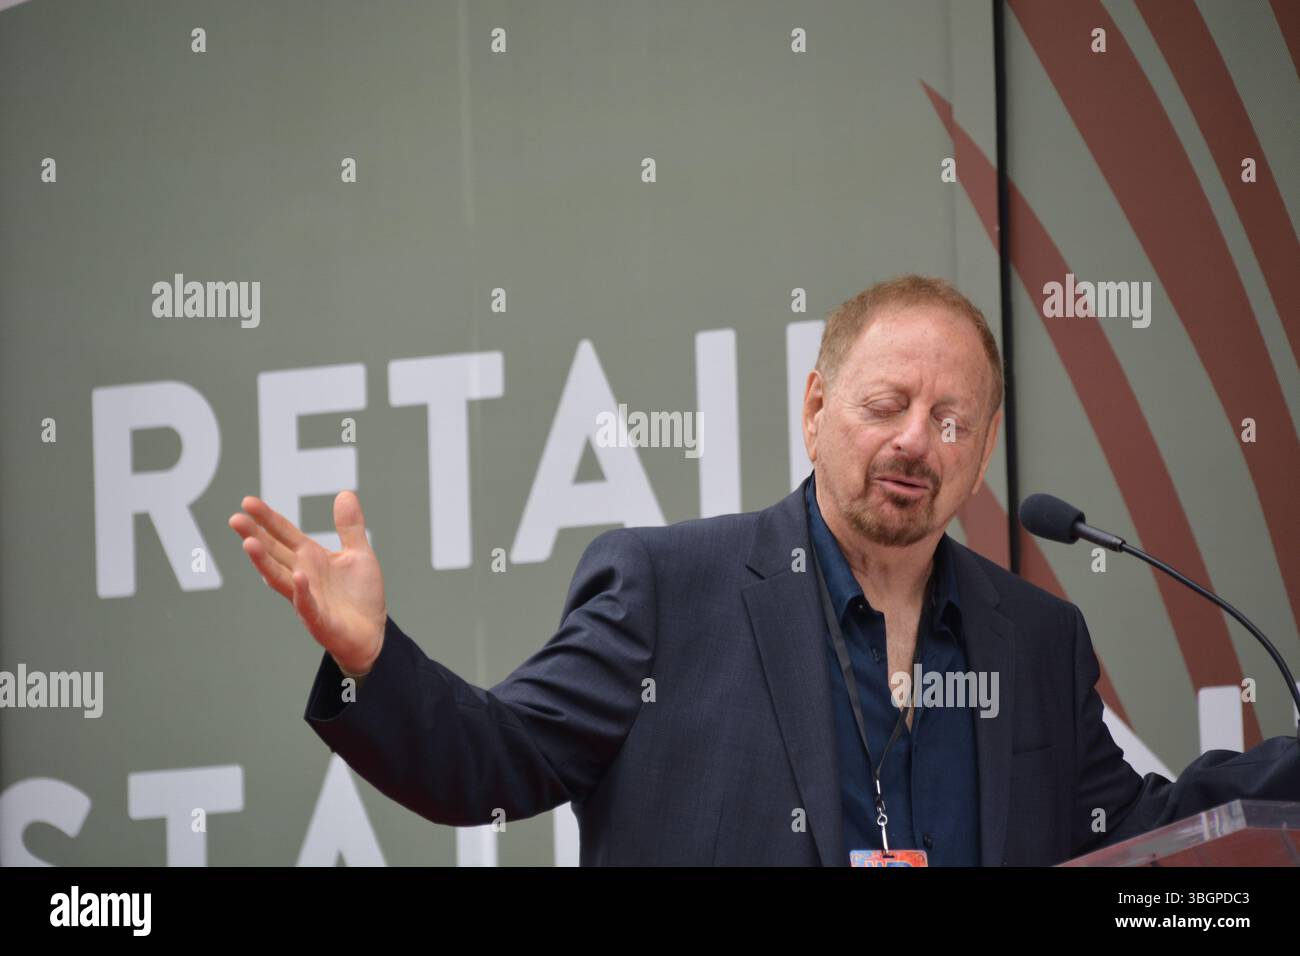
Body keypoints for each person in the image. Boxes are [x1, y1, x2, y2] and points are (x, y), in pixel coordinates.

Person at [228, 274, 1299, 865]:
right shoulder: (668, 591)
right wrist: (371, 659)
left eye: (950, 419)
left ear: (981, 454)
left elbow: (1134, 832)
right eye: (886, 404)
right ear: (815, 409)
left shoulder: (1033, 637)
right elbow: (493, 765)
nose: (914, 439)